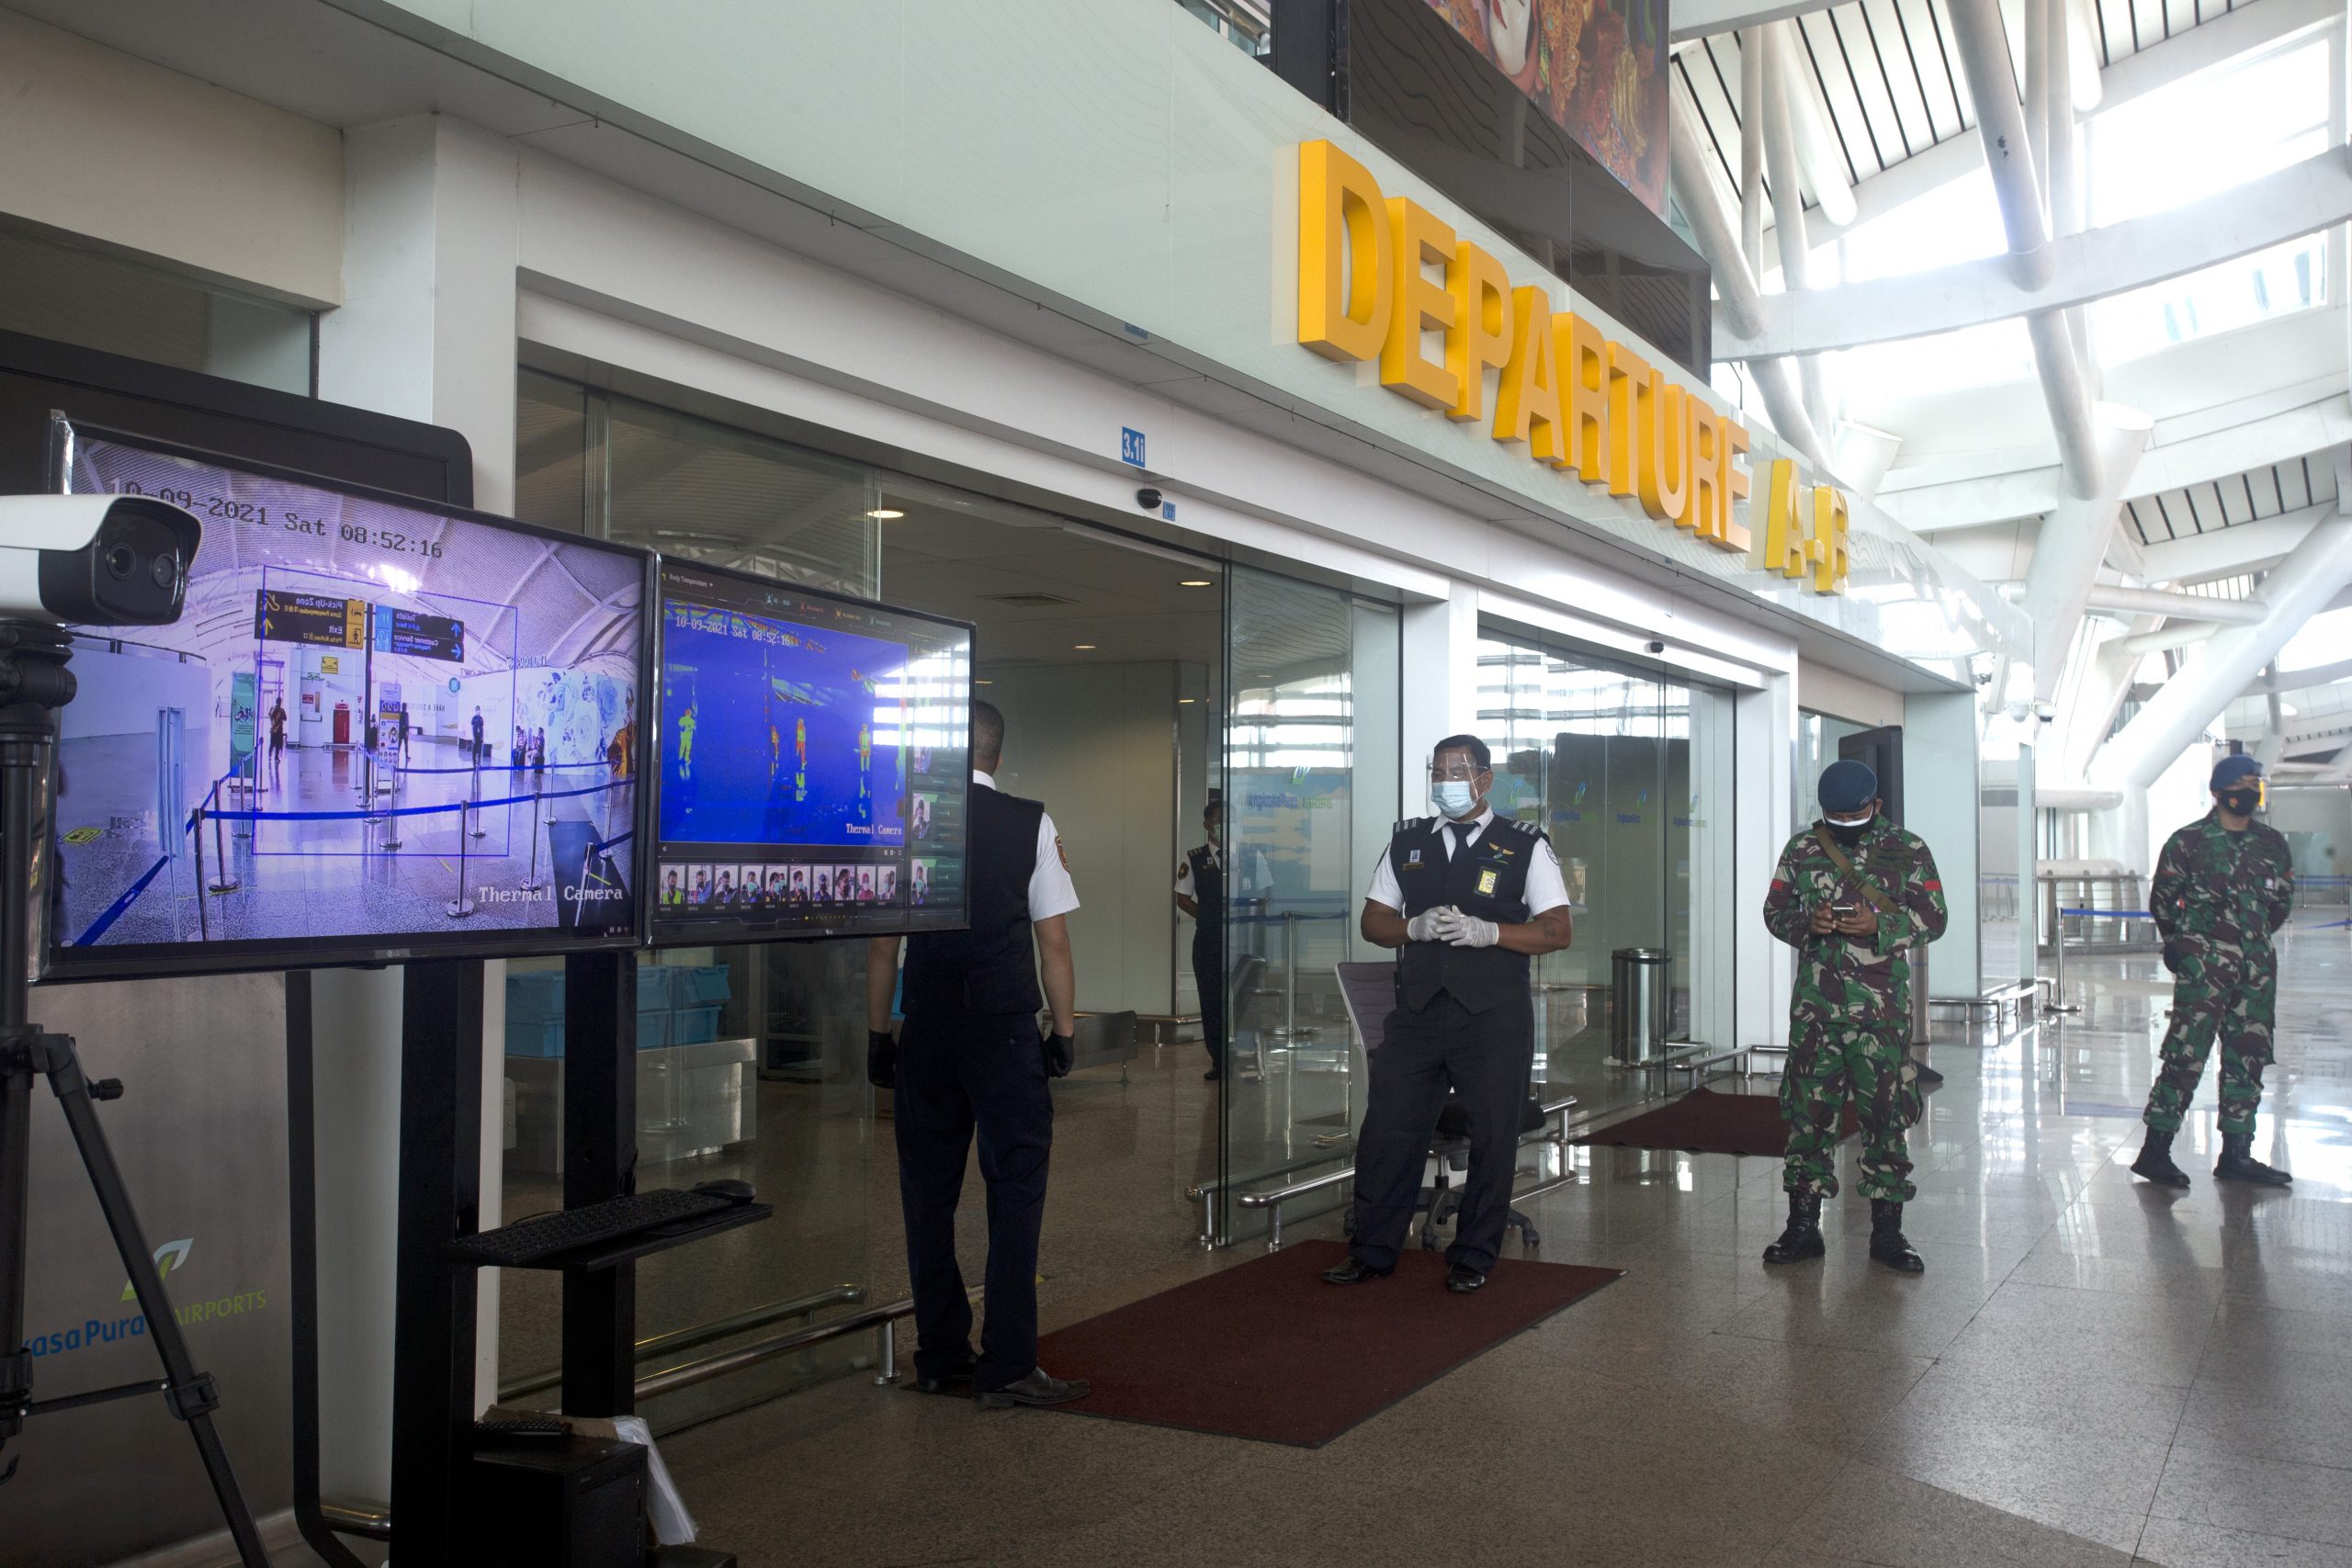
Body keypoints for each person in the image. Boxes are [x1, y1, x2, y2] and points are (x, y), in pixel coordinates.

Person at [865, 699, 1088, 1407]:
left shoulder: (905, 820)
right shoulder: (1032, 823)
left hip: (928, 1028)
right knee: (1015, 1186)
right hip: (1003, 1030)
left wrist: (878, 1036)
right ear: (997, 754)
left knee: (927, 1194)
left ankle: (939, 1353)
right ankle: (1009, 1362)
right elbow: (1054, 944)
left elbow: (883, 947)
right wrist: (1064, 1032)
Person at [1325, 735, 1571, 1295]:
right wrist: (1411, 928)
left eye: (1456, 773)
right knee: (1387, 1131)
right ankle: (1372, 1250)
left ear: (1484, 780)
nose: (1445, 783)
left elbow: (1558, 929)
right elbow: (1373, 920)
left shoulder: (1525, 844)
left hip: (1492, 1016)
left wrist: (1492, 933)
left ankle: (1473, 1255)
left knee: (1493, 1135)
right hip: (1417, 1012)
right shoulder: (1408, 841)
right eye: (1437, 773)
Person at [1760, 760, 1947, 1275]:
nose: (1843, 822)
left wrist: (1879, 924)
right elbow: (1774, 912)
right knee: (1808, 1117)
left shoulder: (1907, 849)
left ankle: (1888, 1233)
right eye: (1835, 816)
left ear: (1876, 805)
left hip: (1881, 1015)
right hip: (1816, 1012)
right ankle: (1803, 1228)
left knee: (1886, 1118)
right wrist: (1809, 923)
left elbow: (1934, 919)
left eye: (1853, 814)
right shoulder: (1802, 849)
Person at [2131, 755, 2296, 1189]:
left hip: (2256, 971)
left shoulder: (2271, 844)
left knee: (2248, 1057)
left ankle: (2237, 1154)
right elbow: (2163, 900)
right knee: (2185, 1056)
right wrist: (2185, 945)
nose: (2250, 790)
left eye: (2254, 783)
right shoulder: (2188, 842)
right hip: (2204, 970)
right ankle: (2155, 1151)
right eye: (2241, 783)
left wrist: (2250, 940)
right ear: (2220, 791)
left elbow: (2281, 903)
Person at [1173, 799, 1229, 1081]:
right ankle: (1219, 1059)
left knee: (1241, 1000)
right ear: (1207, 825)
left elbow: (1264, 893)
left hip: (1241, 941)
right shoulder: (1194, 858)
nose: (1224, 826)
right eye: (1219, 820)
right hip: (1209, 940)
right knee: (1211, 1000)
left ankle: (1245, 1058)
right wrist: (1207, 917)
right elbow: (1182, 897)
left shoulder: (1250, 855)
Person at [267, 697, 288, 785]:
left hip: (273, 730)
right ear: (280, 702)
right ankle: (276, 757)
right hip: (279, 730)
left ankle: (269, 755)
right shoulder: (281, 711)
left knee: (272, 743)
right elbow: (285, 718)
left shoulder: (272, 709)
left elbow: (269, 715)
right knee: (278, 744)